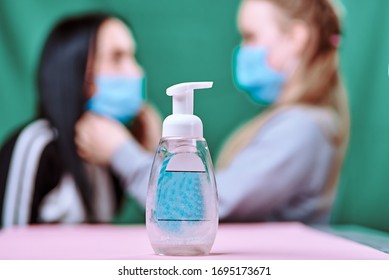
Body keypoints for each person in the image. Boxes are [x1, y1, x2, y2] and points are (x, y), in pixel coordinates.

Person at [75, 0, 349, 224]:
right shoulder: (297, 121)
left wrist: (120, 152)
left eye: (250, 36)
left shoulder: (302, 126)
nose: (241, 50)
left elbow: (207, 204)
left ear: (295, 38)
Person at [0, 14, 161, 228]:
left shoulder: (105, 154)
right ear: (77, 71)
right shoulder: (37, 145)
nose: (137, 71)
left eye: (133, 57)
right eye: (117, 57)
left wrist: (150, 153)